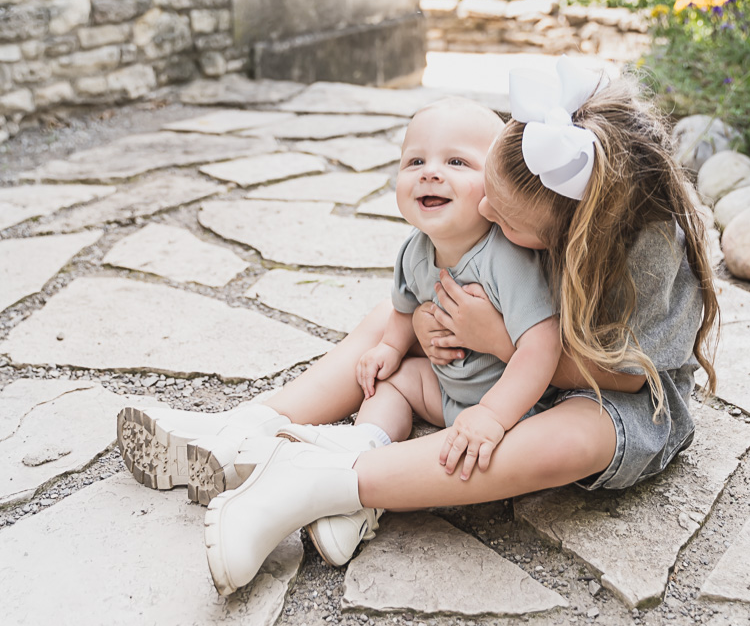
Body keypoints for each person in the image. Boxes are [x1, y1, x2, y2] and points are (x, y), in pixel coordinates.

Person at [198, 60, 719, 597]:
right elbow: (429, 290)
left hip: (605, 388)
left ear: (575, 230)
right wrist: (427, 323)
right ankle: (248, 424)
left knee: (572, 441)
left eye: (509, 221)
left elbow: (629, 378)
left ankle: (326, 479)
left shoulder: (649, 247)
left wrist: (494, 339)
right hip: (507, 359)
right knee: (390, 321)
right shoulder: (523, 203)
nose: (487, 210)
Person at [119, 96, 561, 564]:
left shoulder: (507, 260)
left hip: (511, 409)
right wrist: (391, 347)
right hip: (447, 392)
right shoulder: (415, 250)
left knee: (450, 429)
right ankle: (359, 446)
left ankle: (351, 494)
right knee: (390, 384)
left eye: (456, 161)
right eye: (415, 161)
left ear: (496, 188)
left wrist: (492, 415)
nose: (431, 172)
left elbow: (542, 343)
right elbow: (403, 305)